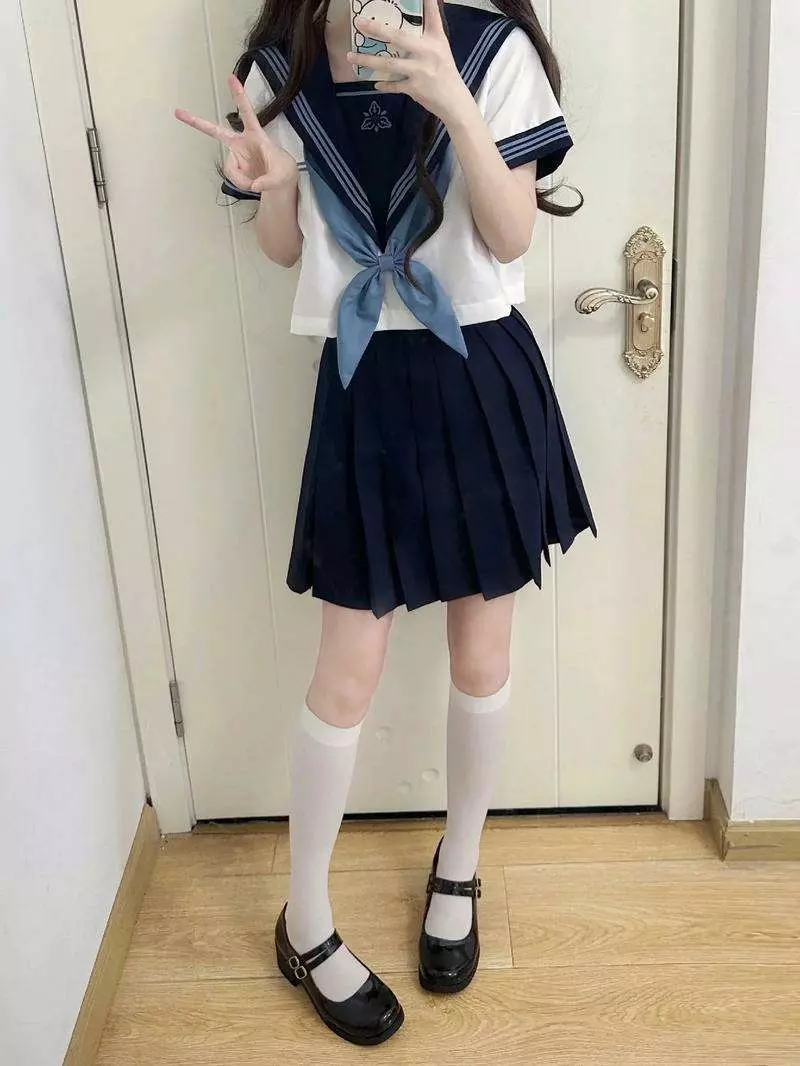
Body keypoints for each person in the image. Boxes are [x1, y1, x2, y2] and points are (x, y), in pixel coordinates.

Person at [176, 0, 596, 1046]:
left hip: (480, 374)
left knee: (480, 651)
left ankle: (460, 865)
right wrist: (273, 187)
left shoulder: (490, 52)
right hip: (362, 385)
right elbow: (284, 251)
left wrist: (453, 103)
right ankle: (304, 919)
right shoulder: (280, 67)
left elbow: (511, 233)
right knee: (346, 668)